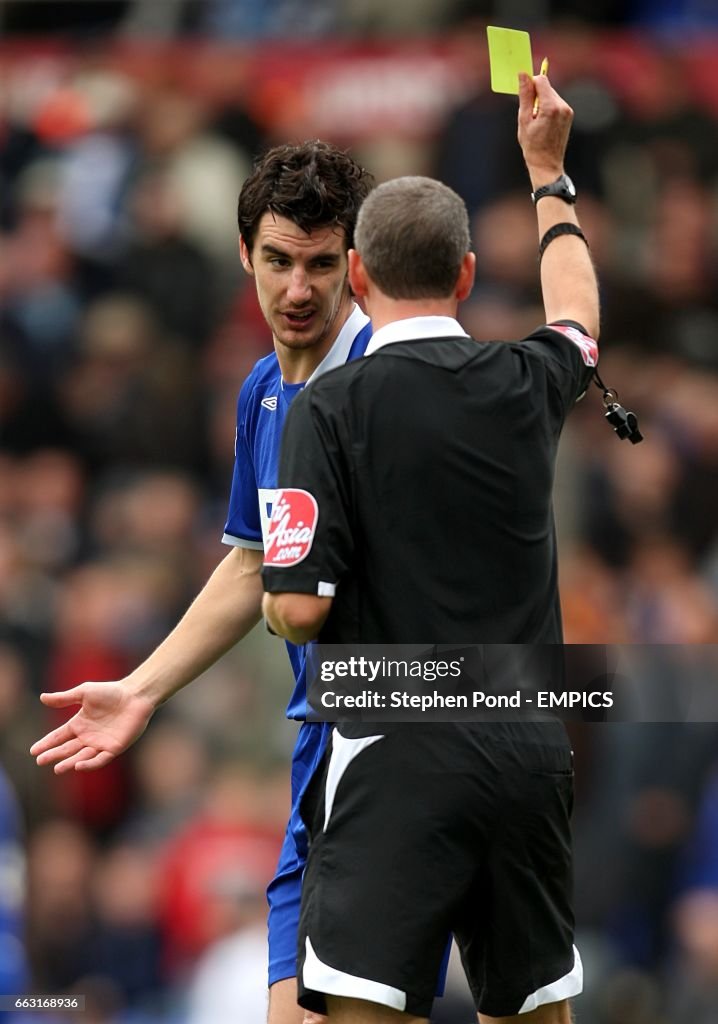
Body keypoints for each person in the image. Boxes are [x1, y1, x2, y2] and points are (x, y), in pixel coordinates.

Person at [262, 72, 600, 1024]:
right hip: (527, 746)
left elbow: (298, 606)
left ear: (357, 280)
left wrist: (269, 591)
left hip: (393, 753)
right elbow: (579, 318)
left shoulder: (327, 407)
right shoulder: (526, 378)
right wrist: (547, 176)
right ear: (465, 275)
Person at [30, 140, 375, 1024]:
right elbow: (255, 558)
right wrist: (141, 690)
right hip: (320, 760)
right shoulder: (264, 391)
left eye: (321, 264)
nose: (298, 289)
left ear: (355, 264)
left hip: (401, 751)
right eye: (277, 261)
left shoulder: (389, 382)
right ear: (243, 254)